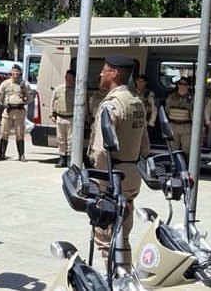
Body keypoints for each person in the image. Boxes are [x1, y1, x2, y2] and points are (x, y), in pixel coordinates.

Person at [88, 54, 149, 265]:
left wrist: (99, 182)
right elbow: (145, 145)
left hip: (112, 177)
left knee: (105, 236)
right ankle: (125, 277)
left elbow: (101, 151)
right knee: (122, 234)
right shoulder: (137, 102)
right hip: (132, 173)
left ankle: (112, 280)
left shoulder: (111, 105)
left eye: (104, 70)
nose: (101, 74)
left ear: (114, 73)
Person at [0, 65, 29, 162]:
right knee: (4, 133)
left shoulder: (24, 84)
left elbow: (29, 96)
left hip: (19, 112)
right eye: (14, 72)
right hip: (8, 112)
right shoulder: (5, 84)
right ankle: (2, 154)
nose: (15, 74)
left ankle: (21, 155)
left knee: (20, 134)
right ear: (11, 73)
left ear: (20, 73)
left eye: (17, 72)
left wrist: (24, 101)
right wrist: (3, 103)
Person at [50, 69, 76, 168]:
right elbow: (52, 102)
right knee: (61, 139)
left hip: (71, 118)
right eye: (66, 77)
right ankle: (62, 159)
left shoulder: (77, 90)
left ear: (74, 79)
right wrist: (52, 114)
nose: (67, 79)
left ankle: (69, 159)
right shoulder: (58, 89)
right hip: (60, 117)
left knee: (71, 140)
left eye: (70, 77)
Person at [165, 77, 193, 153]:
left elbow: (193, 113)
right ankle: (175, 164)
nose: (182, 86)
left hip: (186, 127)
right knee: (173, 148)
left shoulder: (192, 97)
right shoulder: (171, 96)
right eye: (180, 83)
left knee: (186, 149)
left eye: (185, 84)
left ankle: (186, 164)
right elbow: (167, 110)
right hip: (173, 126)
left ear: (188, 86)